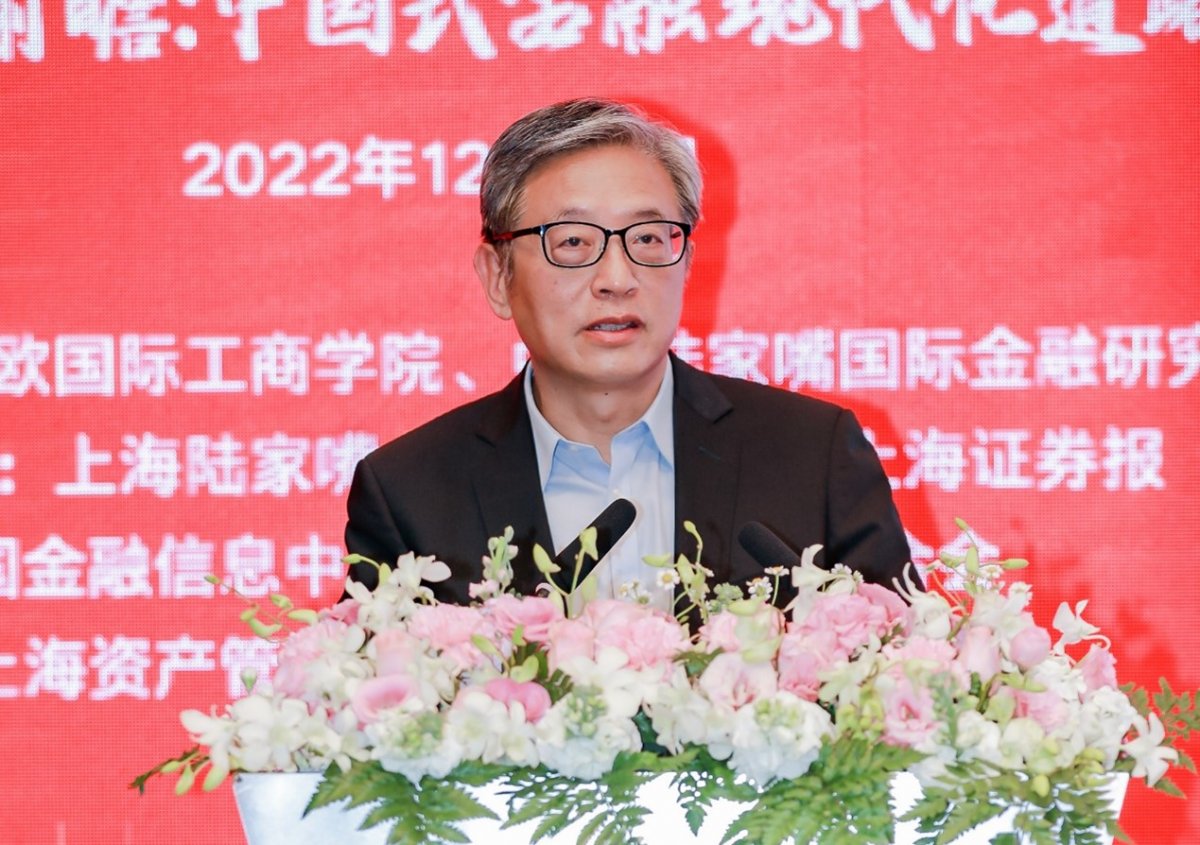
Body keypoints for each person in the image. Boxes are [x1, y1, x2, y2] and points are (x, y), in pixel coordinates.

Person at [344, 98, 911, 608]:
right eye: (572, 242)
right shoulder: (409, 492)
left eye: (646, 239)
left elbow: (901, 671)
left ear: (686, 265)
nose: (617, 279)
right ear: (498, 276)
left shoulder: (814, 456)